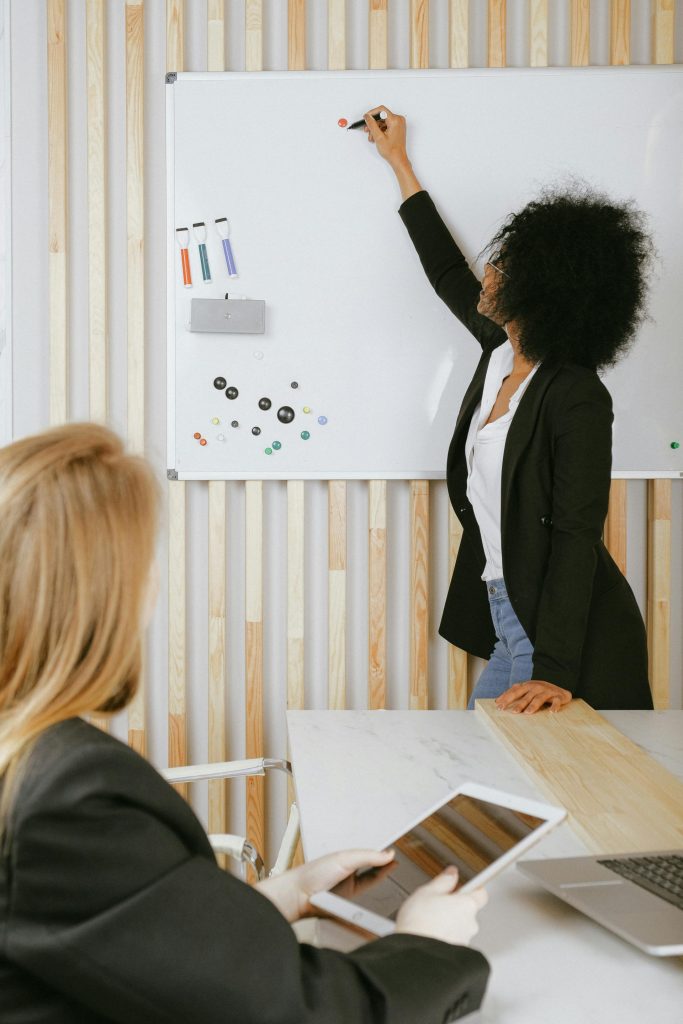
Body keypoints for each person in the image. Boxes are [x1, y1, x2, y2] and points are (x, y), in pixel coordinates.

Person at [0, 423, 489, 1024]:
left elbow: (115, 937)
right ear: (106, 594)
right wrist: (427, 944)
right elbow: (298, 1014)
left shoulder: (29, 763)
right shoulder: (68, 795)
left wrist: (287, 895)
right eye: (145, 561)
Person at [362, 106, 654, 714]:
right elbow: (444, 269)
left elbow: (576, 534)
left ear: (538, 290)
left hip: (555, 634)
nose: (487, 272)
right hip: (507, 615)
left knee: (510, 779)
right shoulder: (499, 352)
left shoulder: (574, 394)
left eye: (502, 266)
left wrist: (553, 671)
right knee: (497, 774)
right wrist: (399, 164)